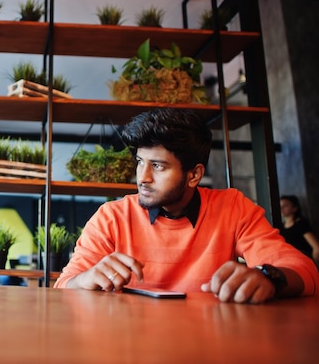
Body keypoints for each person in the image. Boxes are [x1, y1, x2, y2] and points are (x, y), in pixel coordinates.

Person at [55, 108, 319, 303]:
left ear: (194, 174)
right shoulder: (111, 217)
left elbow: (305, 271)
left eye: (157, 166)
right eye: (140, 162)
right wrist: (85, 279)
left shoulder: (232, 207)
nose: (142, 177)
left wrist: (267, 277)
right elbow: (63, 287)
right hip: (131, 345)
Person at [279, 195, 319, 267]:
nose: (281, 208)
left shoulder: (301, 224)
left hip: (303, 263)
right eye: (280, 206)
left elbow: (316, 248)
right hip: (289, 263)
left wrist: (314, 266)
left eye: (285, 206)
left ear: (294, 208)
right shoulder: (280, 227)